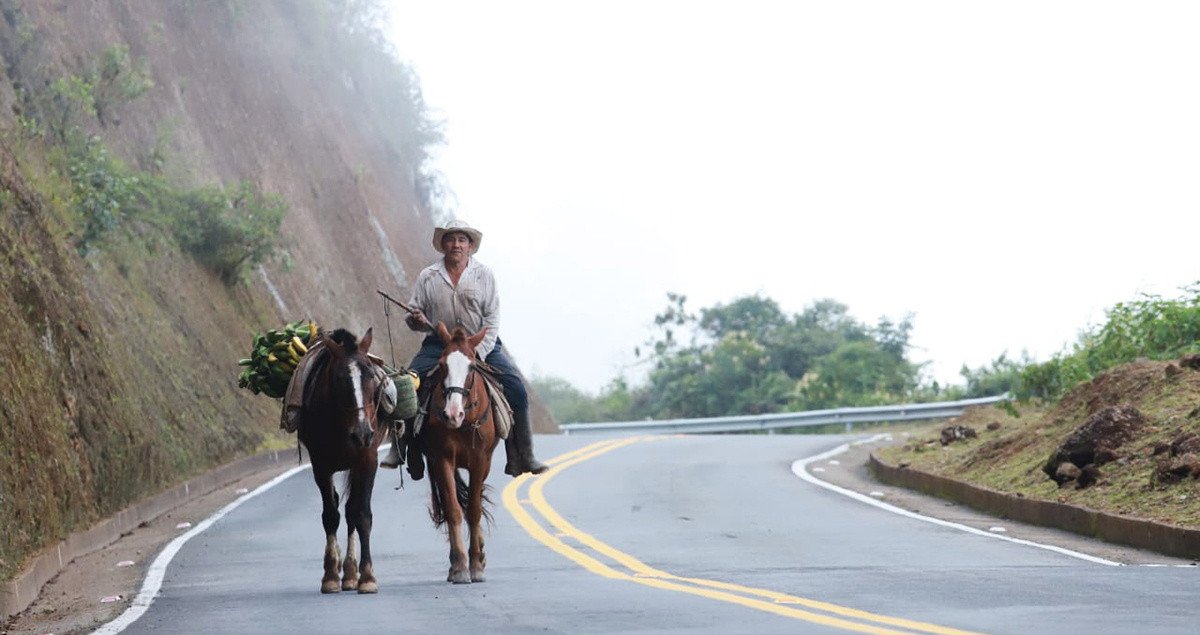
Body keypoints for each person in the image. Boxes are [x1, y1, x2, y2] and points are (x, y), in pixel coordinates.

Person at [380, 219, 548, 478]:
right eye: (451, 239)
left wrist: (474, 353)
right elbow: (416, 315)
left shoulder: (485, 275)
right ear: (442, 245)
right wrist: (415, 321)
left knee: (516, 387)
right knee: (406, 385)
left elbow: (492, 319)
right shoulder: (428, 276)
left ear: (470, 246)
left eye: (462, 240)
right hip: (438, 345)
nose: (456, 245)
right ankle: (403, 449)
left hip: (480, 344)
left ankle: (522, 454)